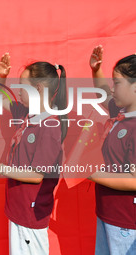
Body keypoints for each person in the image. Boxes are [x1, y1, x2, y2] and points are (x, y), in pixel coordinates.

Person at [0, 53, 68, 255]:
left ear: (37, 89)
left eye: (22, 86)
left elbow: (37, 175)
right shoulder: (26, 114)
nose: (18, 91)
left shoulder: (50, 126)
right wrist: (2, 76)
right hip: (18, 209)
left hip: (31, 214)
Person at [88, 45, 136, 255]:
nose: (113, 88)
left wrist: (92, 174)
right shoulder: (122, 113)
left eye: (117, 83)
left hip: (126, 222)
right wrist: (96, 70)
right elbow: (106, 94)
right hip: (107, 213)